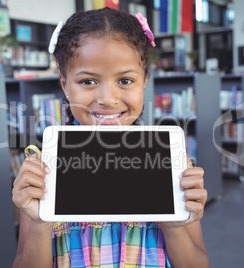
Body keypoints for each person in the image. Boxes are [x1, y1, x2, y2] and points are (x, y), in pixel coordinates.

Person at [12, 7, 208, 268]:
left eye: (125, 81)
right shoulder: (44, 170)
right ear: (64, 84)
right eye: (88, 82)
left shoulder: (171, 162)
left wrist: (174, 226)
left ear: (144, 81)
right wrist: (39, 224)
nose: (108, 99)